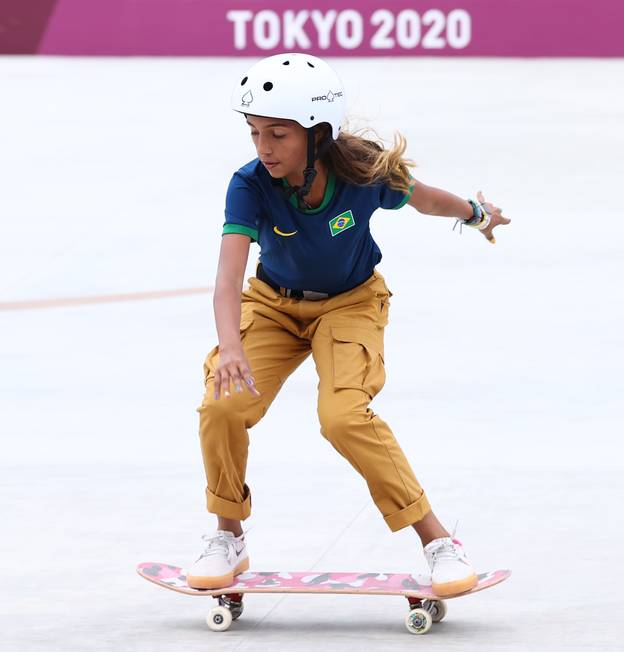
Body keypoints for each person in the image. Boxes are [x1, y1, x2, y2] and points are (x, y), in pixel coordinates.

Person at [187, 53, 511, 597]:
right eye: (255, 132)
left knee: (342, 417)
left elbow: (428, 200)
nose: (263, 147)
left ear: (318, 133)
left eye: (278, 134)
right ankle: (228, 536)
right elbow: (227, 278)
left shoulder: (365, 171)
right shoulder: (249, 184)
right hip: (272, 305)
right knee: (222, 404)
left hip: (351, 304)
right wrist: (230, 347)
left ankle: (438, 541)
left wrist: (476, 215)